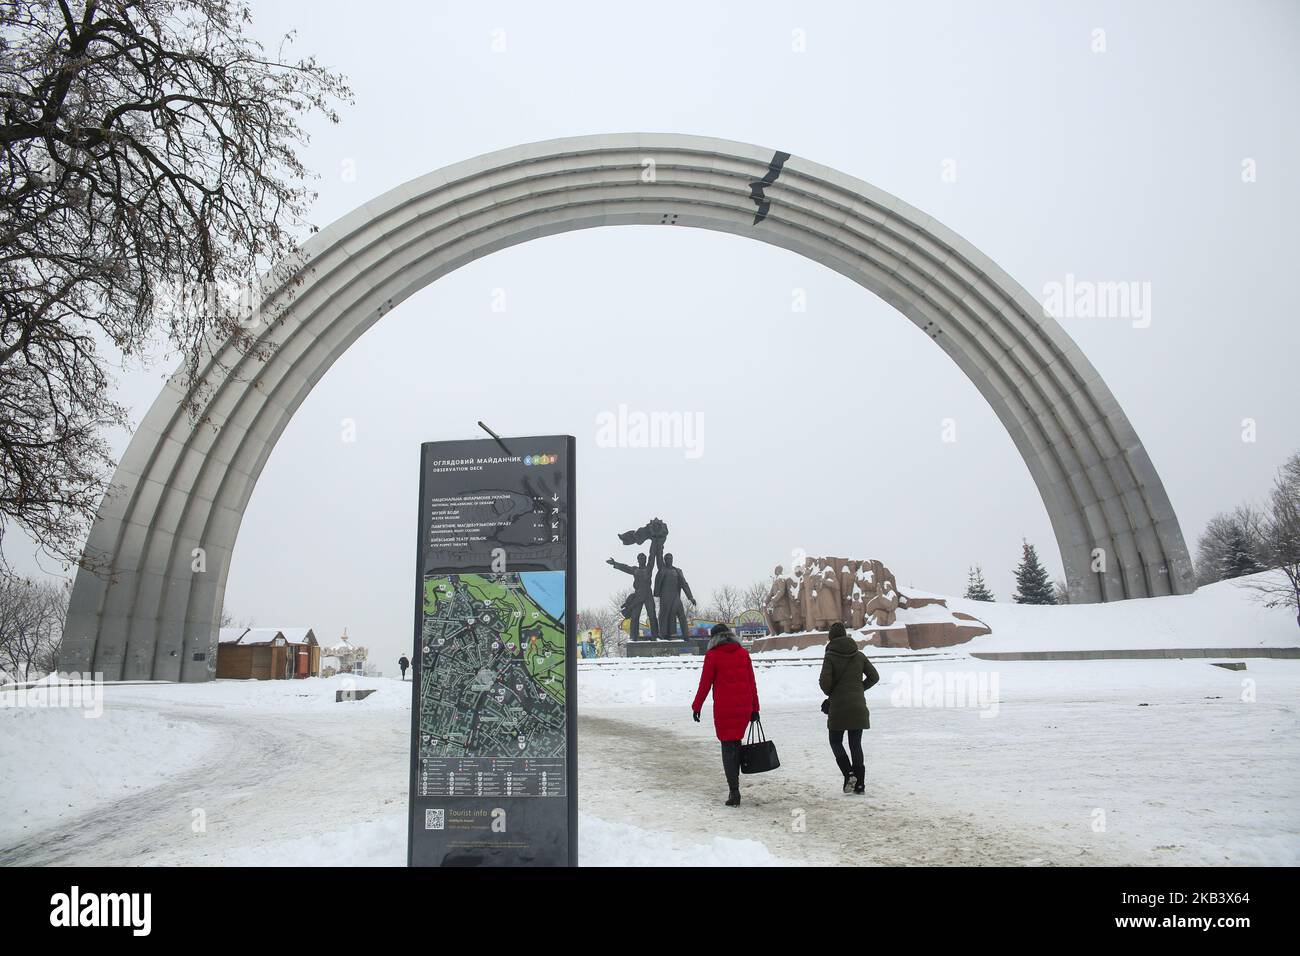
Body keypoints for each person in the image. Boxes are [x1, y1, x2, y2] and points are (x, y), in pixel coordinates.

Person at [691, 623, 760, 807]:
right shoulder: (743, 654)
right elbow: (751, 682)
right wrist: (755, 709)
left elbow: (704, 684)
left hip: (724, 708)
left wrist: (696, 706)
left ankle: (734, 791)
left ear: (713, 639)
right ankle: (735, 787)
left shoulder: (712, 656)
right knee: (735, 743)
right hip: (744, 707)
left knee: (728, 749)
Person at [819, 622, 879, 795]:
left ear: (830, 638)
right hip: (858, 706)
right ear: (845, 636)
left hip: (838, 707)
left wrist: (833, 691)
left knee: (835, 741)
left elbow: (825, 685)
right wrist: (859, 688)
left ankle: (848, 773)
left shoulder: (830, 656)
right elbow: (874, 677)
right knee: (855, 744)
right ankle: (860, 784)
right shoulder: (859, 655)